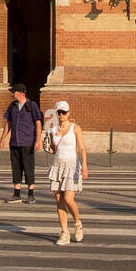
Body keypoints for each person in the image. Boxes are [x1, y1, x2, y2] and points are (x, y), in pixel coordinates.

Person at [46, 100, 88, 245]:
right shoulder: (53, 130)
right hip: (57, 165)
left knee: (69, 199)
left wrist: (85, 165)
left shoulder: (75, 128)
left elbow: (82, 148)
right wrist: (46, 147)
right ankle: (64, 232)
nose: (62, 114)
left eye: (64, 112)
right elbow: (53, 150)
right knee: (59, 200)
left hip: (72, 165)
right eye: (59, 112)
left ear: (69, 113)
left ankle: (77, 223)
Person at [0, 82, 43, 203]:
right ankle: (16, 194)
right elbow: (8, 123)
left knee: (28, 167)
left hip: (28, 142)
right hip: (14, 143)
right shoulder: (12, 106)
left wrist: (37, 140)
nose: (12, 95)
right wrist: (3, 138)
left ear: (20, 93)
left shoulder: (32, 105)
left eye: (13, 92)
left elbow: (38, 123)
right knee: (16, 167)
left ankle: (30, 194)